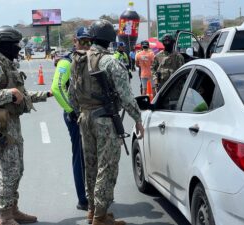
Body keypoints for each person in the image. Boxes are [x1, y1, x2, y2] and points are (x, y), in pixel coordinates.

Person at [69, 19, 144, 225]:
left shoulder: (78, 59)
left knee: (91, 165)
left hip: (84, 118)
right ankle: (100, 217)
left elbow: (72, 94)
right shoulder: (110, 61)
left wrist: (82, 113)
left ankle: (93, 210)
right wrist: (138, 119)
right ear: (110, 39)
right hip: (104, 120)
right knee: (107, 167)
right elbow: (127, 96)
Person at [0, 26, 53, 225]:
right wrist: (10, 93)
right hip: (1, 121)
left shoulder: (8, 65)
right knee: (8, 170)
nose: (18, 49)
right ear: (5, 46)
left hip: (13, 122)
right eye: (15, 45)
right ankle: (4, 216)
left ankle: (13, 209)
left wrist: (46, 94)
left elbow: (22, 96)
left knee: (17, 169)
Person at [51, 26, 92, 211]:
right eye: (81, 41)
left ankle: (93, 195)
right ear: (75, 41)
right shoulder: (66, 62)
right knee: (80, 157)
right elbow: (57, 88)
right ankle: (83, 199)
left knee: (92, 156)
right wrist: (72, 110)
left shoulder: (92, 59)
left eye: (88, 41)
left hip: (91, 114)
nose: (85, 44)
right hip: (75, 116)